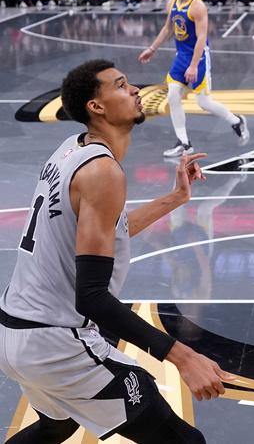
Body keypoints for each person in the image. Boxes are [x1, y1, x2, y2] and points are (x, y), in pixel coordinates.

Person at [0, 60, 231, 443]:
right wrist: (183, 356)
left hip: (13, 331)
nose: (136, 89)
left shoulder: (72, 149)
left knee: (57, 427)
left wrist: (176, 197)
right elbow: (91, 297)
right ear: (97, 106)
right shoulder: (102, 172)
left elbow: (107, 229)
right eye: (122, 85)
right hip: (54, 341)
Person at [138, 0, 249, 157]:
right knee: (173, 96)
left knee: (203, 102)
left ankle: (236, 121)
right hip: (181, 57)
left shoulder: (197, 6)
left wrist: (194, 65)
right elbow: (168, 29)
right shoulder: (171, 3)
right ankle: (184, 143)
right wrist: (152, 48)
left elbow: (201, 37)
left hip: (199, 58)